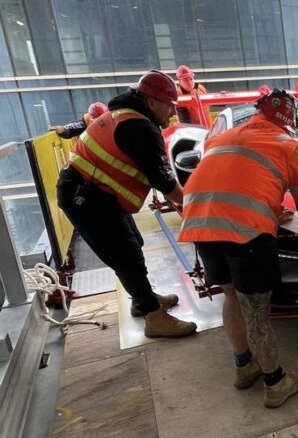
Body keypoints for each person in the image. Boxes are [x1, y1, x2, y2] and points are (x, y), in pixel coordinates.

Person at [178, 89, 298, 409]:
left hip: (201, 226)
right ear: (290, 121)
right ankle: (275, 382)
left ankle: (244, 367)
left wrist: (269, 207)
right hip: (245, 233)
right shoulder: (289, 146)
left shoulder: (220, 139)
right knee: (257, 309)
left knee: (231, 295)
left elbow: (233, 180)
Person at [56, 72, 197, 339]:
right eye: (169, 105)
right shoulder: (139, 127)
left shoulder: (124, 116)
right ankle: (153, 317)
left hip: (94, 193)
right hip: (87, 198)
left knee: (133, 244)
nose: (172, 112)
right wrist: (196, 205)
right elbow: (165, 184)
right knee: (125, 254)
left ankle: (141, 298)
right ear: (152, 101)